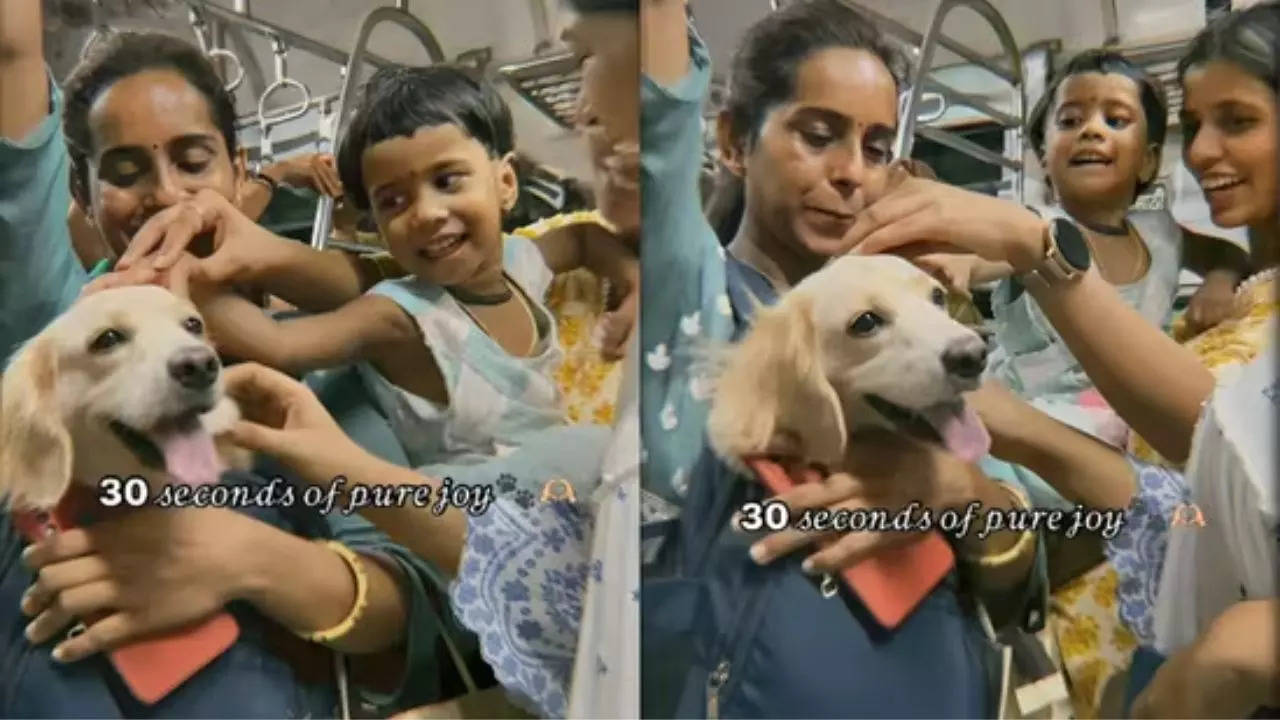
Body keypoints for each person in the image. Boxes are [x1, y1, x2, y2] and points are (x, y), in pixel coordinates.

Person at [0, 3, 464, 712]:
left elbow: (406, 589)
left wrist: (244, 556)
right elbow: (13, 86)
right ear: (83, 196)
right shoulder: (51, 335)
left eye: (192, 161)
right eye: (125, 170)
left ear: (240, 173)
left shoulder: (320, 358)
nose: (163, 193)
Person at [850, 3, 1278, 715]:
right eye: (1197, 125)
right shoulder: (1234, 301)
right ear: (1038, 153)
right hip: (1128, 616)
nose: (1201, 152)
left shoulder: (1167, 249)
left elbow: (1221, 453)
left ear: (1145, 159)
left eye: (1236, 120)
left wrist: (1038, 251)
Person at [639, 1, 1049, 715]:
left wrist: (958, 492)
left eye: (877, 146)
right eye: (818, 135)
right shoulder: (699, 304)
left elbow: (1023, 561)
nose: (851, 173)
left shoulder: (919, 312)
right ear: (734, 143)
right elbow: (661, 134)